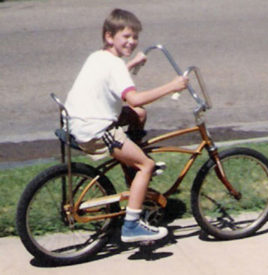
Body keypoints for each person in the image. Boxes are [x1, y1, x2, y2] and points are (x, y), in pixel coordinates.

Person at [65, 8, 188, 243]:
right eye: (126, 37)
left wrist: (131, 64)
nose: (132, 41)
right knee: (147, 165)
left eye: (135, 37)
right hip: (96, 130)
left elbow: (112, 82)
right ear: (109, 37)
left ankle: (132, 171)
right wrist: (172, 86)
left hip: (78, 120)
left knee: (137, 115)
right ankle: (131, 226)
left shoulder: (98, 57)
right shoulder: (115, 66)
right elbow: (134, 98)